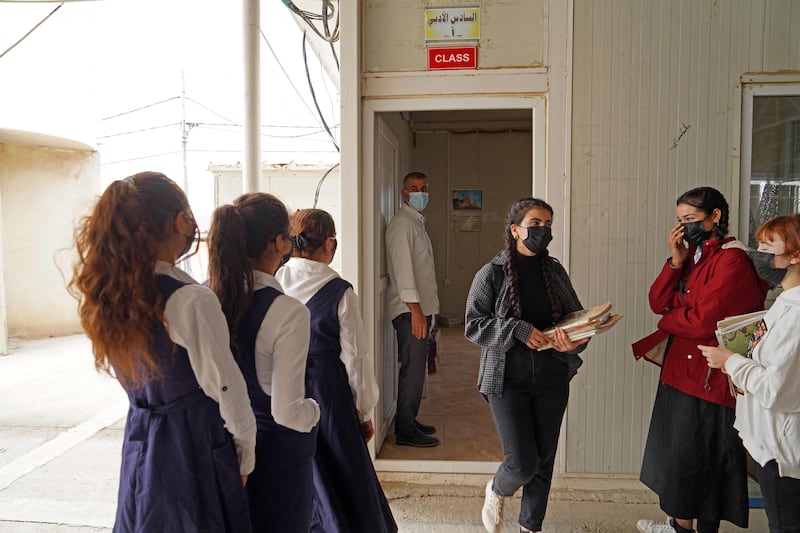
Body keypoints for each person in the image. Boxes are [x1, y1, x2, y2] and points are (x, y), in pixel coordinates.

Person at [69, 171, 256, 532]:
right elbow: (227, 389)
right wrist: (245, 456)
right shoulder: (190, 299)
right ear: (180, 220)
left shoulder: (112, 294)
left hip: (142, 436)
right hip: (194, 443)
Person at [632, 186, 769, 533]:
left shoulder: (732, 259)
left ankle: (690, 529)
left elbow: (702, 322)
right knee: (681, 462)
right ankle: (679, 526)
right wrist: (675, 261)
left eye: (690, 219)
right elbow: (658, 301)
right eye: (680, 221)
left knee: (704, 466)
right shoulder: (695, 257)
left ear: (715, 217)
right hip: (682, 374)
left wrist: (669, 320)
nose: (684, 227)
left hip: (708, 380)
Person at [464, 198, 589, 533]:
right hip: (506, 379)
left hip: (553, 376)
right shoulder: (491, 273)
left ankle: (530, 527)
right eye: (535, 223)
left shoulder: (555, 271)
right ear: (515, 229)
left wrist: (576, 339)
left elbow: (576, 317)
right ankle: (497, 489)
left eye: (548, 224)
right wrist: (518, 330)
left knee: (543, 462)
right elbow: (473, 325)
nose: (542, 230)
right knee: (522, 463)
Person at [276, 208, 398, 533]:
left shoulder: (275, 281)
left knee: (302, 473)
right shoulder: (339, 290)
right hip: (327, 391)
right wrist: (363, 411)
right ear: (329, 243)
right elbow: (356, 358)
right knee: (345, 473)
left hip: (282, 387)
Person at [206, 193, 320, 532]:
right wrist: (315, 410)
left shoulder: (204, 299)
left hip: (221, 446)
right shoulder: (288, 312)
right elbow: (287, 412)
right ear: (280, 242)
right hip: (275, 453)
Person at [699, 213, 800, 533]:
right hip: (770, 443)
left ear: (795, 255)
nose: (758, 253)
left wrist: (730, 361)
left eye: (768, 246)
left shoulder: (797, 312)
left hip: (782, 451)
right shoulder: (786, 300)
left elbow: (775, 388)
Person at [385, 171, 441, 447]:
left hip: (419, 309)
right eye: (414, 188)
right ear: (404, 194)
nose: (420, 193)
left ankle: (409, 420)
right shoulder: (401, 225)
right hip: (410, 312)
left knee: (416, 370)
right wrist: (417, 312)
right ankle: (405, 432)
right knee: (413, 369)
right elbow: (404, 273)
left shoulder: (415, 223)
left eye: (424, 187)